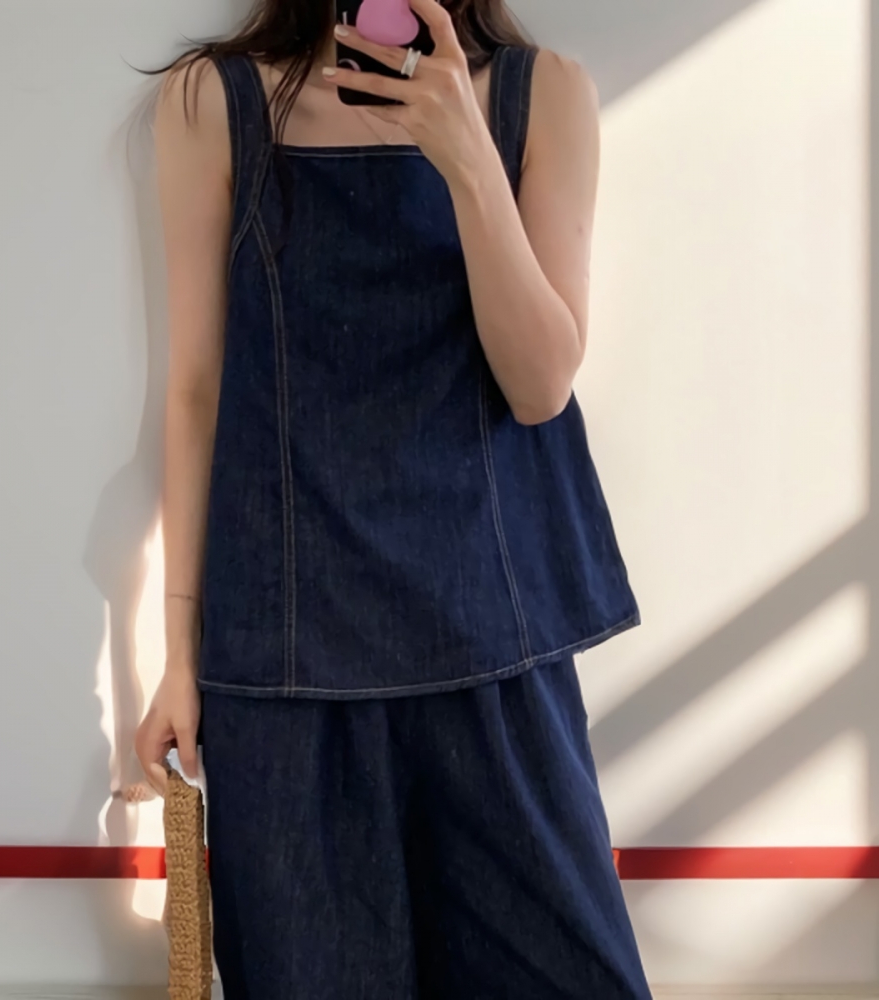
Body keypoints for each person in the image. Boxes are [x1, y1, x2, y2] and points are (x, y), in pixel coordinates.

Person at [135, 0, 653, 996]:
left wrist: (466, 157)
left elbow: (540, 385)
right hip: (284, 662)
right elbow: (197, 391)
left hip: (493, 649)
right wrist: (178, 657)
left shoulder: (544, 93)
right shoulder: (213, 101)